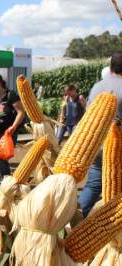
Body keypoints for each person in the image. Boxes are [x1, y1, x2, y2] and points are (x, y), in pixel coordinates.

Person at [78, 52, 122, 217]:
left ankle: (76, 219)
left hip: (98, 145)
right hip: (118, 145)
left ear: (111, 67)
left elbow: (89, 113)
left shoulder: (97, 86)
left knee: (93, 185)